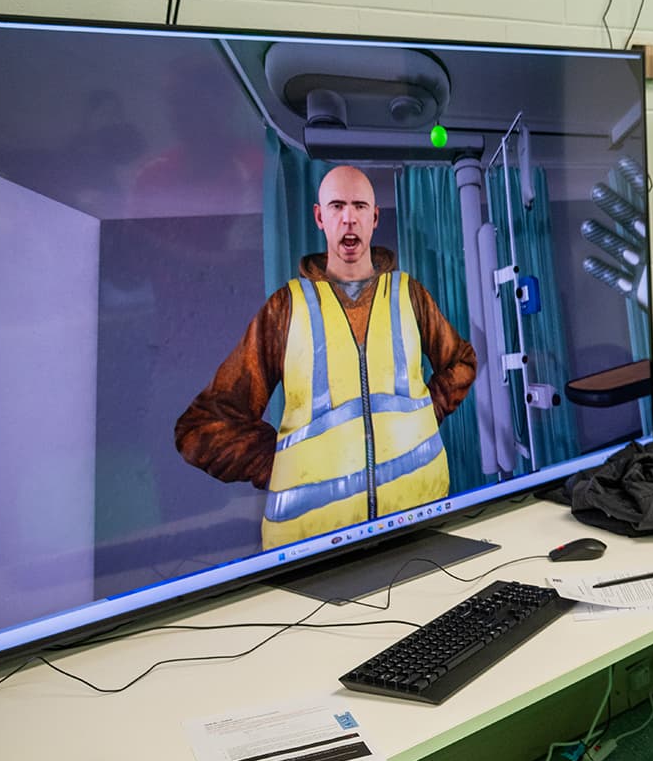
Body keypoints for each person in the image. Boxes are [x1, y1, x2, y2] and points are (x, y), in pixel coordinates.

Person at [177, 165, 478, 551]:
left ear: (374, 218)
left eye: (359, 206)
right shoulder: (286, 308)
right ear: (320, 217)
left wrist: (423, 413)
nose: (348, 217)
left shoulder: (409, 294)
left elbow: (461, 362)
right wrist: (277, 464)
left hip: (418, 528)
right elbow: (202, 428)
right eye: (337, 206)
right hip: (311, 550)